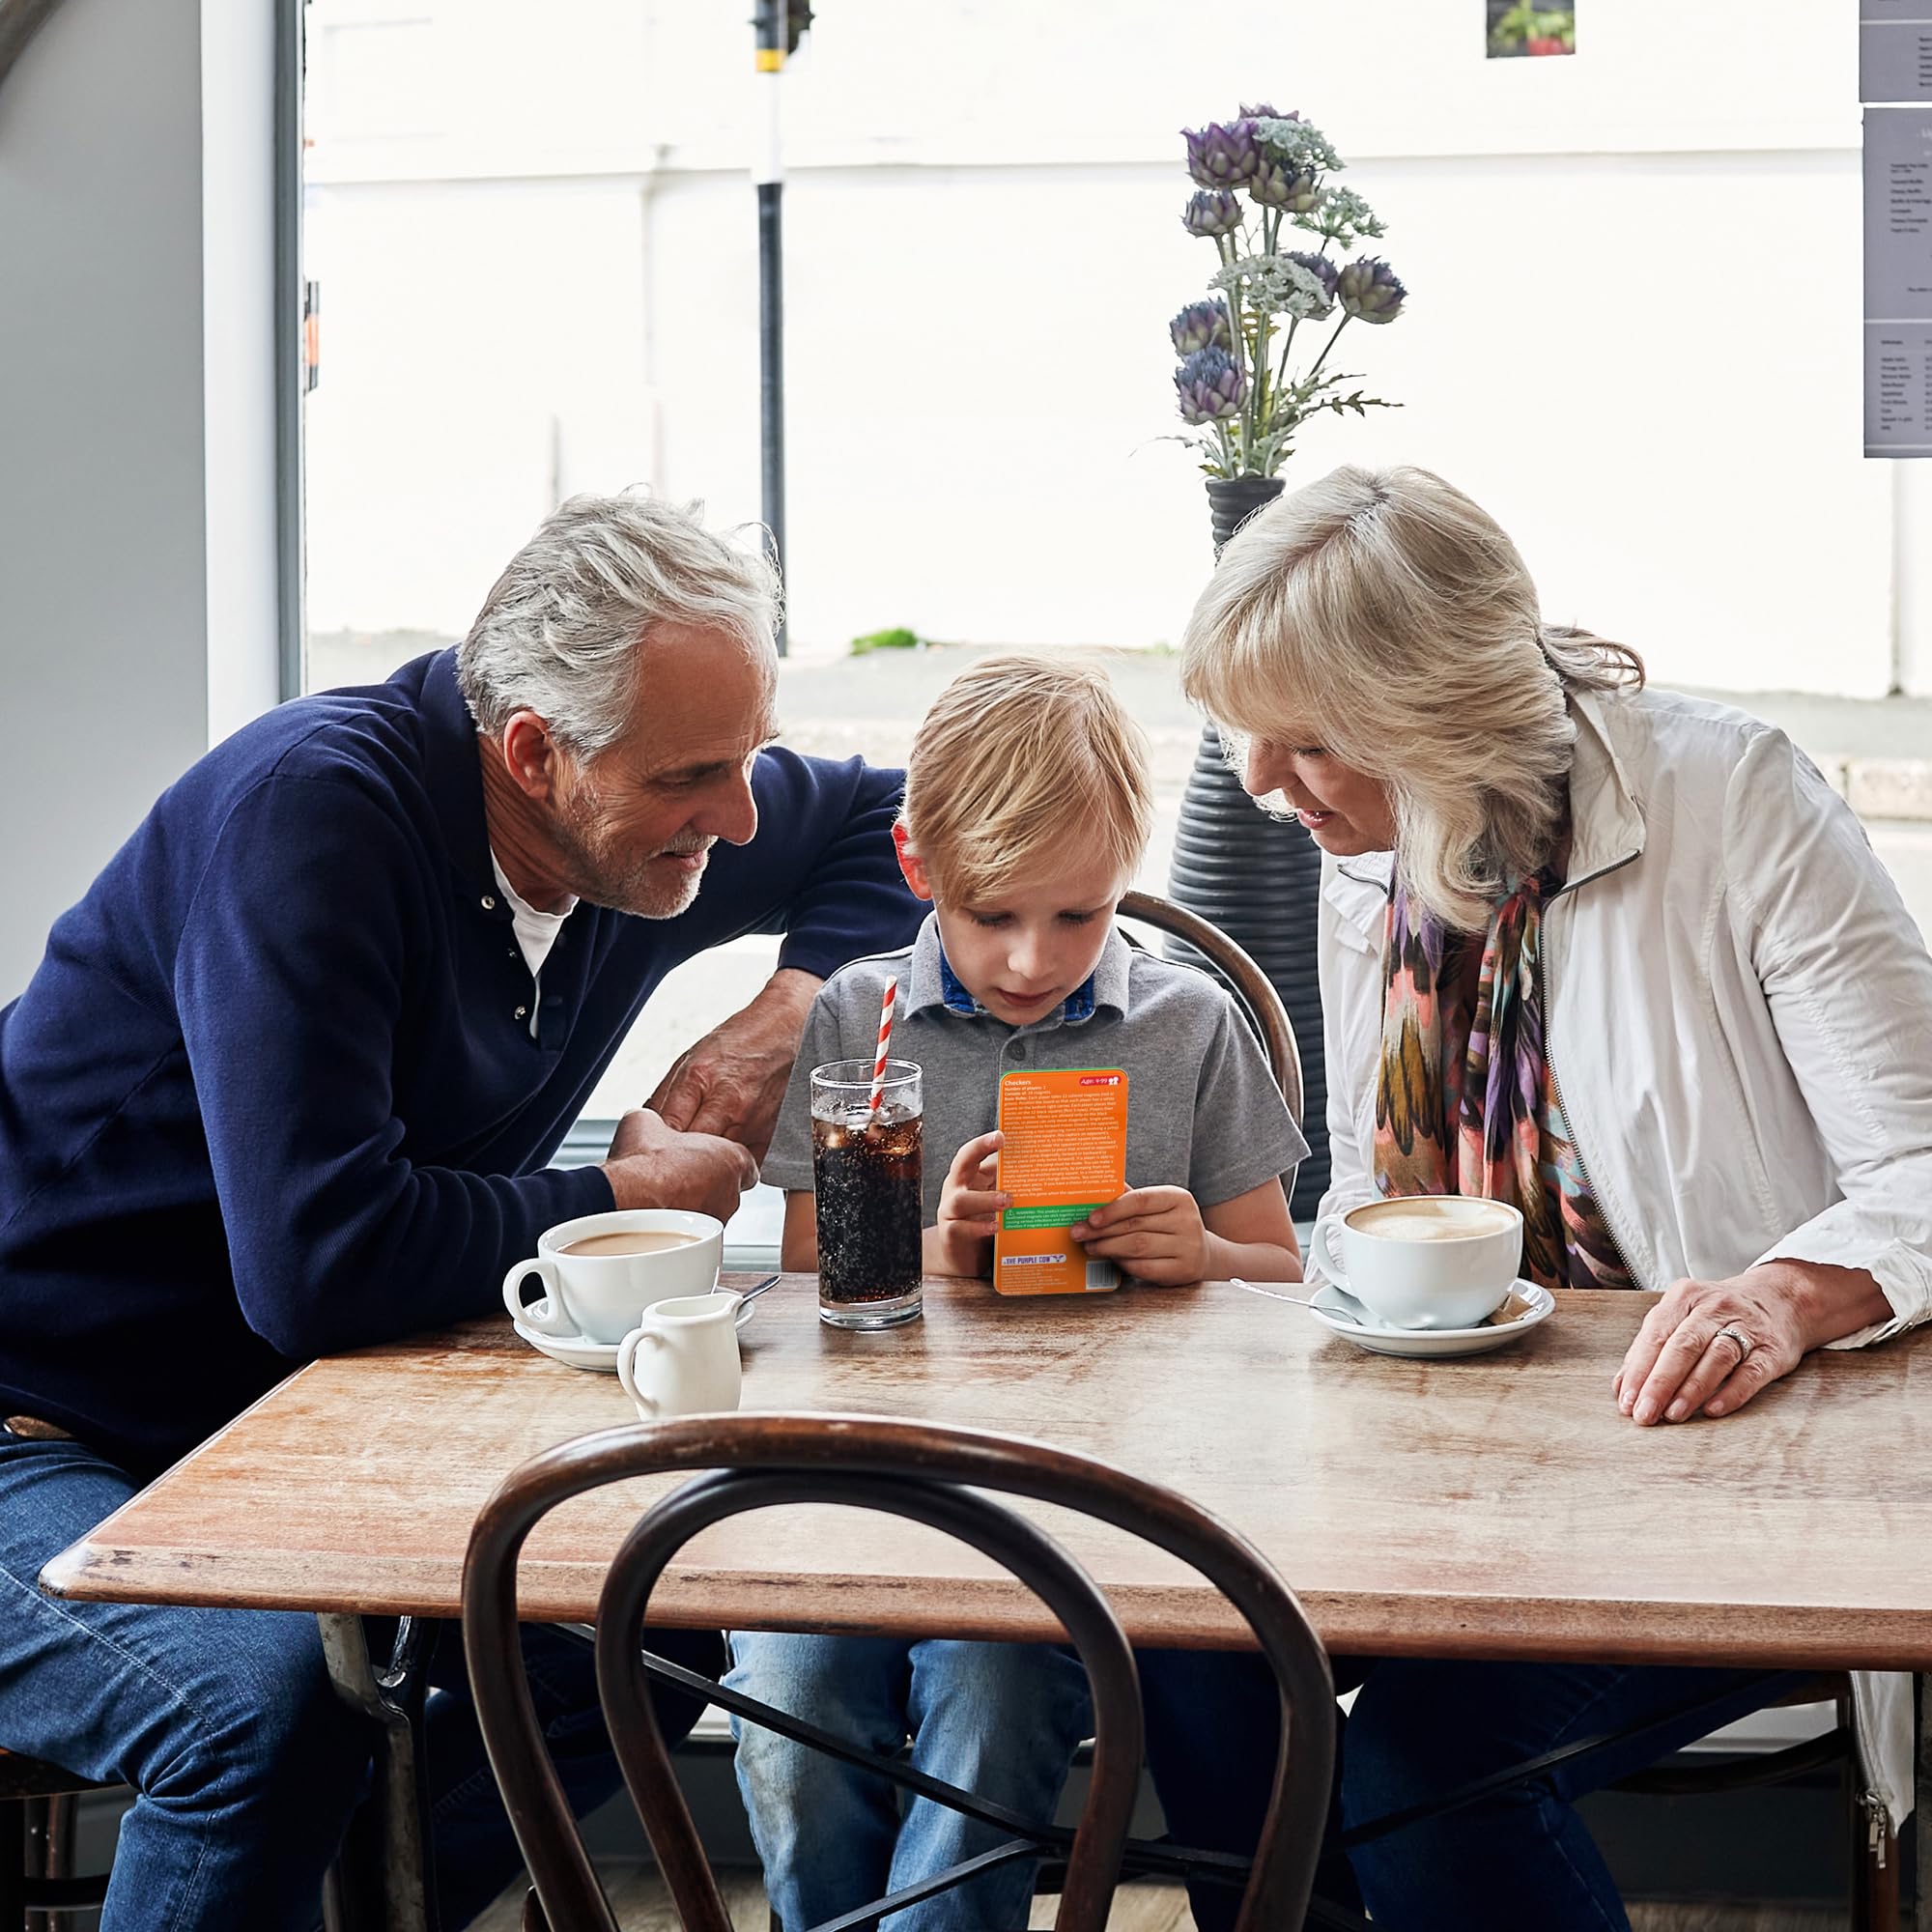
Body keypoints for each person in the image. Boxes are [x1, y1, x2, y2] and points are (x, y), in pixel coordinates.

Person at [0, 493, 924, 1930]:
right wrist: (615, 1196)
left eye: (746, 761)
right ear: (534, 754)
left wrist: (777, 1022)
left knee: (630, 1621)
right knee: (260, 1719)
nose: (739, 818)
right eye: (697, 776)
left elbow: (891, 814)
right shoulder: (315, 819)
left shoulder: (636, 811)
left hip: (254, 1425)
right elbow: (322, 1264)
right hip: (34, 1421)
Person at [1175, 462, 1932, 1929]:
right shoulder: (1377, 850)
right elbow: (1368, 1197)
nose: (1262, 787)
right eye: (1243, 739)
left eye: (1306, 742)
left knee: (1412, 1767)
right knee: (1187, 1651)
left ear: (1429, 715)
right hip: (1446, 1469)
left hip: (1712, 1467)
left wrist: (1779, 1296)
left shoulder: (1735, 802)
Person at [728, 652, 1308, 1932]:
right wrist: (929, 1254)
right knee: (793, 1698)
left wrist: (1205, 1260)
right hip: (857, 1490)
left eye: (1080, 915)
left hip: (1085, 1503)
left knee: (1002, 1698)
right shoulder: (856, 1022)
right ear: (918, 867)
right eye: (993, 915)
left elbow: (1286, 1283)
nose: (1034, 959)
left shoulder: (1189, 1023)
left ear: (1124, 881)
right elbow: (791, 1291)